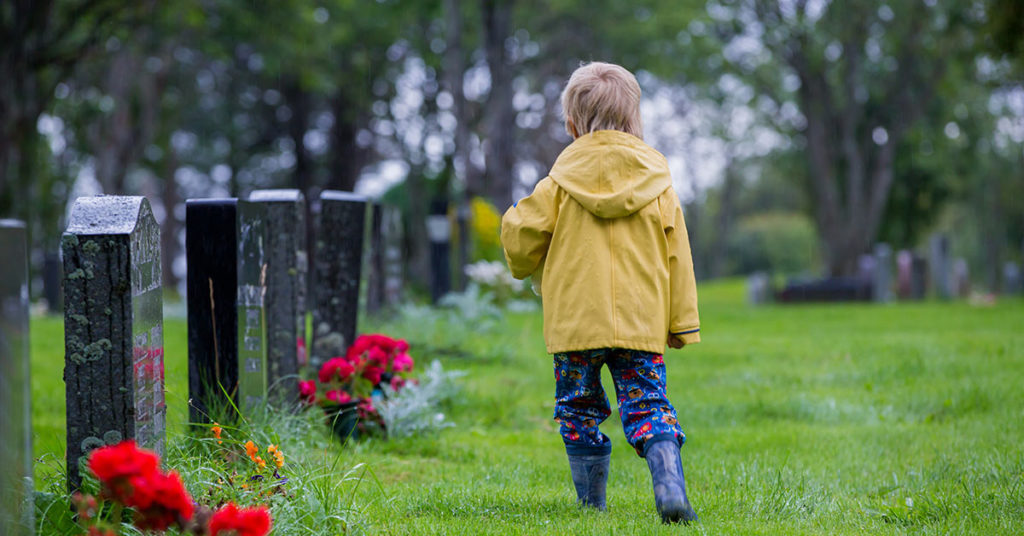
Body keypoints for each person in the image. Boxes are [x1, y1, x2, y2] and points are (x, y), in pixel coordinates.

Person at [500, 61, 701, 524]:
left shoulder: (557, 185)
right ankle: (669, 481)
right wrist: (680, 323)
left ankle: (591, 504)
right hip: (640, 320)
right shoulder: (659, 184)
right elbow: (678, 257)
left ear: (572, 124)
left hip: (576, 325)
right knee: (648, 403)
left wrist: (513, 226)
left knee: (578, 408)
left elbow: (522, 242)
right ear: (635, 120)